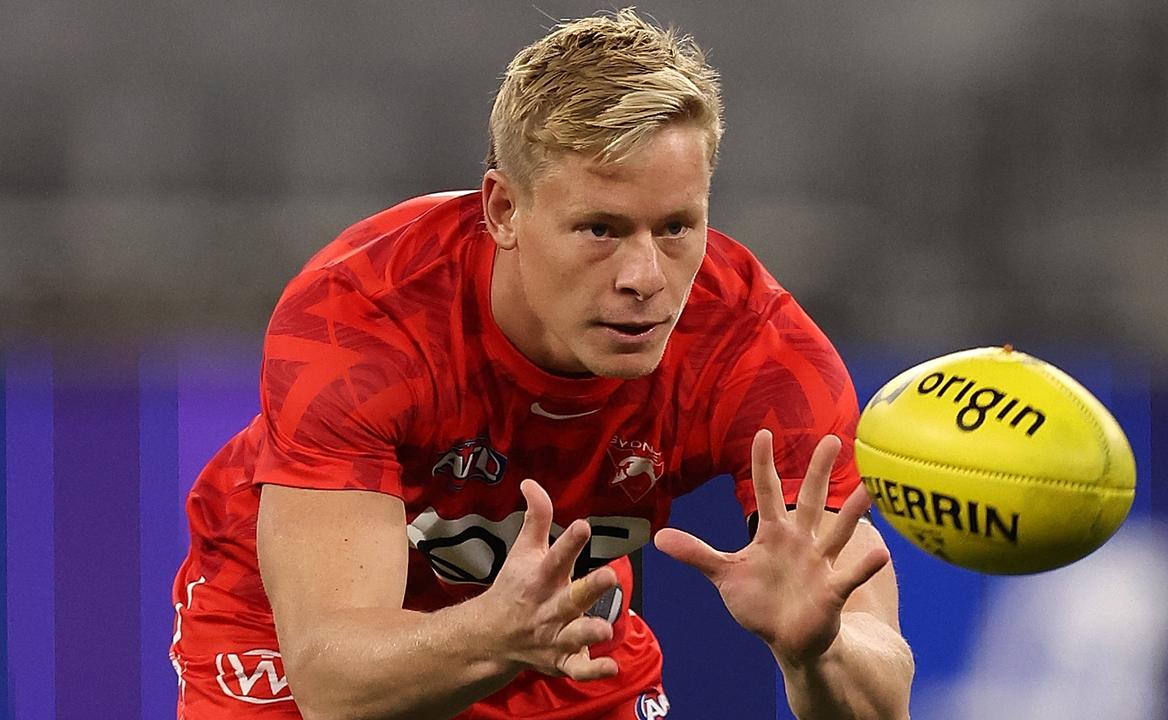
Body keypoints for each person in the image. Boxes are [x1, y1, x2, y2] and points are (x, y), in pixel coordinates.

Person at [170, 9, 913, 720]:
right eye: (601, 228)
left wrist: (821, 650)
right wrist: (494, 632)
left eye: (678, 227)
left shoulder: (760, 357)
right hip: (297, 630)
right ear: (502, 212)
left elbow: (883, 701)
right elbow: (335, 684)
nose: (646, 277)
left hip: (559, 629)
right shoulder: (360, 319)